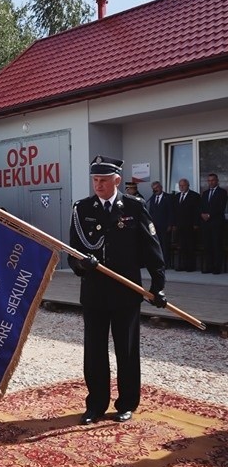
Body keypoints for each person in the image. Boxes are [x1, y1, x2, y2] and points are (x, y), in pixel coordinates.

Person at [68, 155, 166, 425]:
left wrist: (158, 286)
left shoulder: (134, 207)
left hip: (126, 292)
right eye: (95, 180)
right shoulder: (82, 208)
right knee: (95, 351)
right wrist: (82, 264)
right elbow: (71, 252)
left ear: (117, 180)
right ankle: (96, 404)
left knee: (127, 350)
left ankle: (126, 403)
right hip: (95, 293)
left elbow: (152, 248)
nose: (98, 185)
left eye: (103, 180)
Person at [199, 173, 227, 274]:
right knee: (207, 246)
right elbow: (201, 205)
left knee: (216, 245)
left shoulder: (222, 192)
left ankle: (217, 268)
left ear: (217, 181)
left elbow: (221, 207)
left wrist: (209, 215)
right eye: (209, 181)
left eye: (213, 180)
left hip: (216, 223)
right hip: (206, 224)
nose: (211, 182)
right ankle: (209, 266)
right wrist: (202, 214)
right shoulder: (205, 193)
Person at [172, 178, 201, 271]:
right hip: (180, 226)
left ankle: (190, 266)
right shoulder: (176, 197)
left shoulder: (194, 196)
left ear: (188, 185)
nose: (181, 187)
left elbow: (197, 211)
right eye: (180, 185)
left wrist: (196, 223)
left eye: (183, 185)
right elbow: (175, 212)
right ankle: (182, 265)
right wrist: (174, 224)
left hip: (190, 225)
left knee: (190, 246)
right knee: (181, 246)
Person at [147, 181, 175, 268]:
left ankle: (166, 263)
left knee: (165, 244)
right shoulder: (152, 198)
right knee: (156, 244)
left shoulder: (168, 197)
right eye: (154, 188)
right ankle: (158, 261)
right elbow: (151, 212)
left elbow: (171, 212)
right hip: (155, 226)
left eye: (157, 187)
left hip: (165, 225)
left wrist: (170, 224)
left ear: (161, 187)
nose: (156, 189)